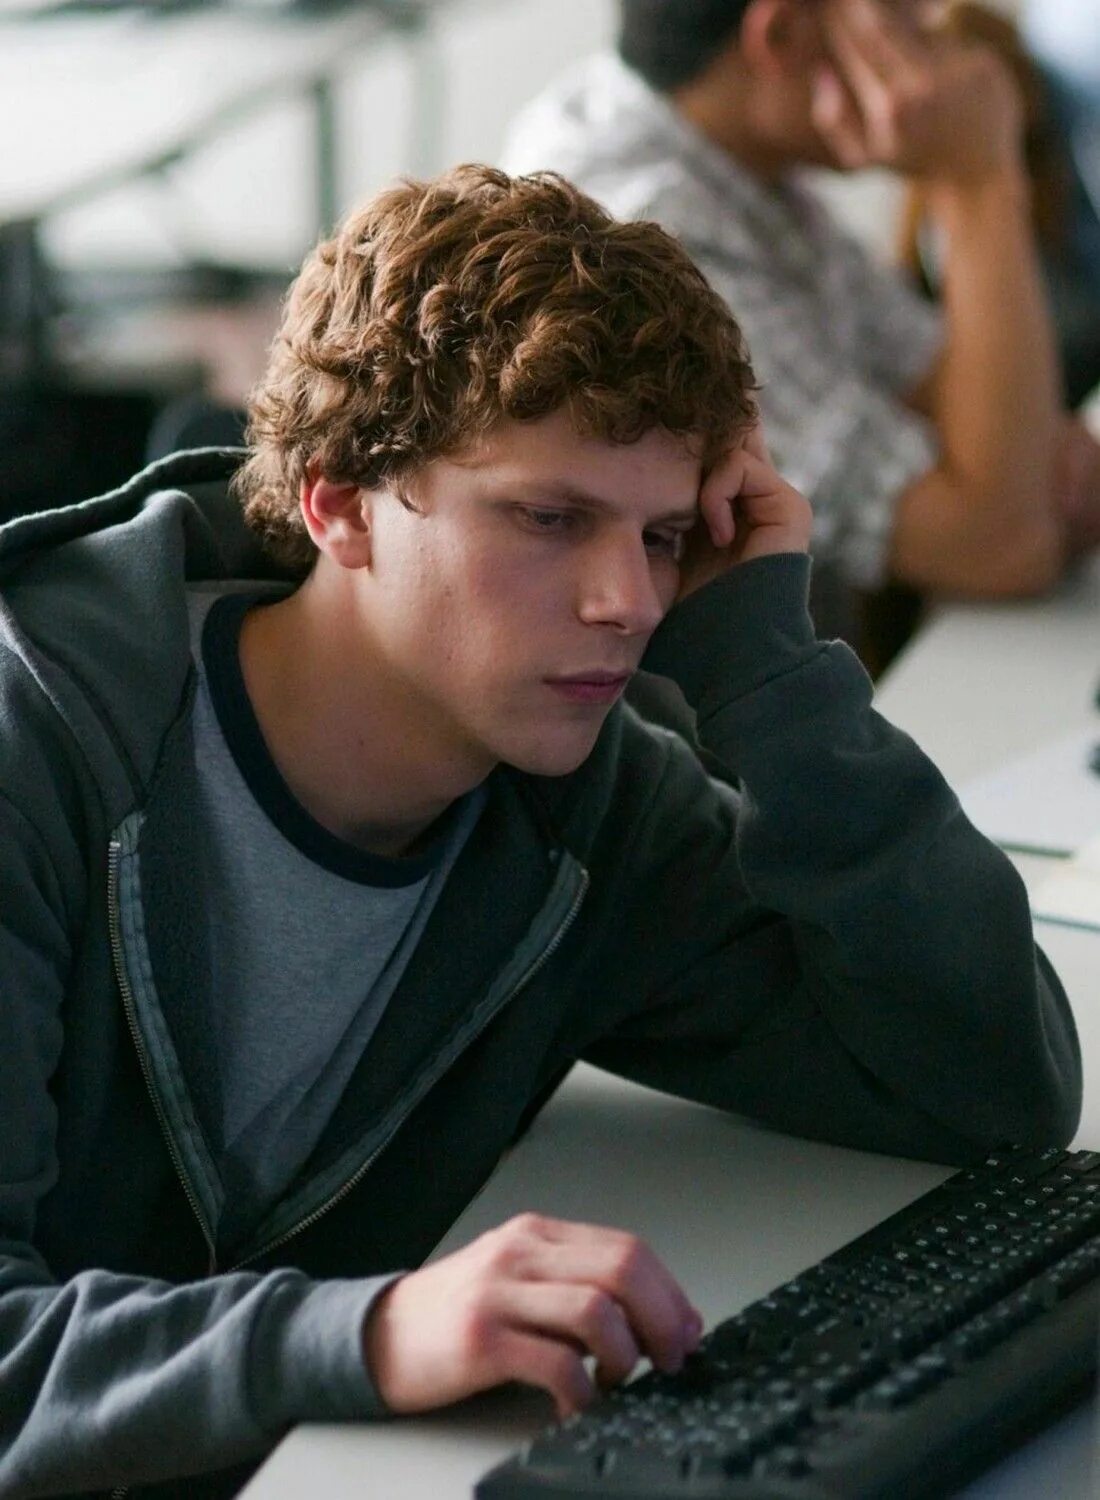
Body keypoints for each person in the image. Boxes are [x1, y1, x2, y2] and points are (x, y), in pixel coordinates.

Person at [0, 165, 1080, 1500]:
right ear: (337, 500)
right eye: (549, 518)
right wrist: (368, 1333)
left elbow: (990, 1088)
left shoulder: (587, 812)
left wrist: (764, 667)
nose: (628, 600)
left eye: (666, 535)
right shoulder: (38, 754)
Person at [503, 0, 1100, 618]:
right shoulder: (649, 236)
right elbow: (1000, 544)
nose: (941, 34)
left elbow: (991, 425)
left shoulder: (720, 149)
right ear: (782, 35)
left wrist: (1022, 469)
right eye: (906, 14)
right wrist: (976, 181)